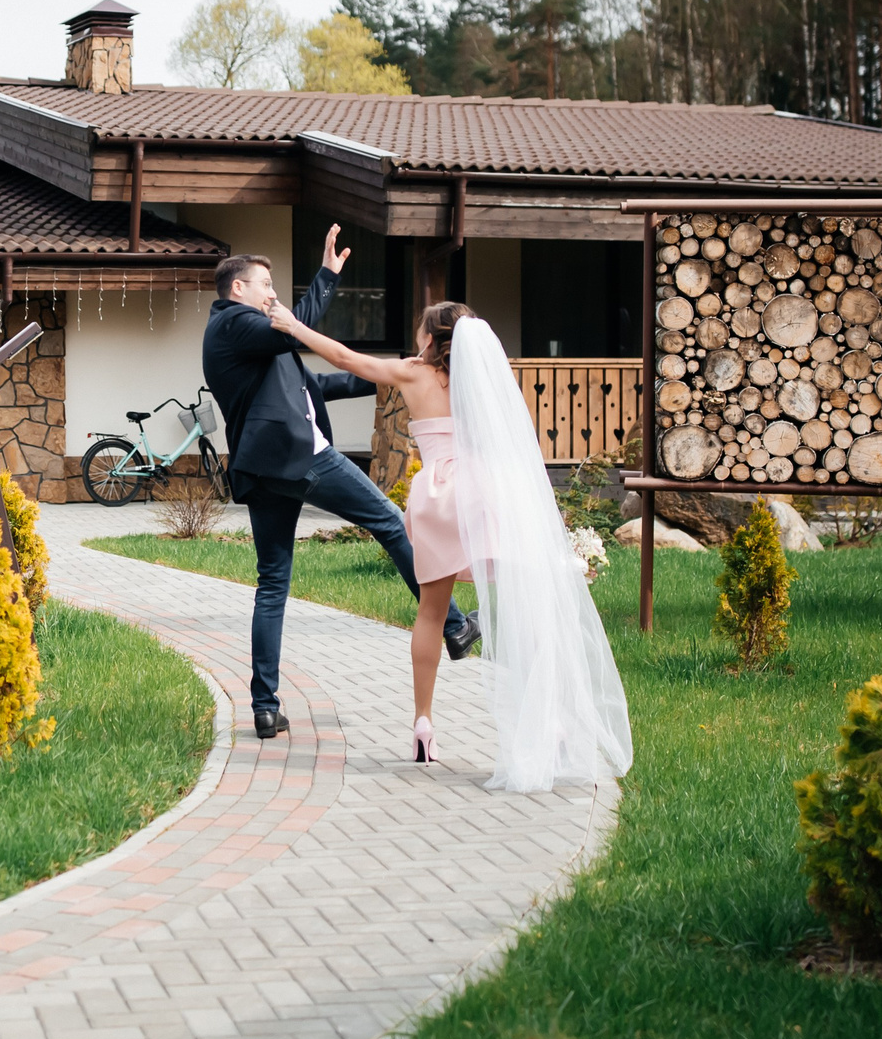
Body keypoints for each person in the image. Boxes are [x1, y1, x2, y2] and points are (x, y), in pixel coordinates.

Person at [264, 301, 632, 792]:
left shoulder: (412, 374)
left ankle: (423, 723)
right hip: (487, 493)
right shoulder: (481, 379)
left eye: (419, 328)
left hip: (438, 496)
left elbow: (347, 359)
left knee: (432, 614)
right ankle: (552, 719)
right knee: (527, 603)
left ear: (430, 338)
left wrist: (294, 326)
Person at [200, 232, 477, 740]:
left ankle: (265, 708)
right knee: (390, 522)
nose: (274, 295)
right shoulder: (234, 322)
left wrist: (388, 374)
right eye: (266, 285)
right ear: (238, 288)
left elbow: (316, 386)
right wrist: (326, 276)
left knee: (273, 584)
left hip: (263, 470)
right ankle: (455, 626)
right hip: (299, 457)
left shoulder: (253, 341)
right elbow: (293, 328)